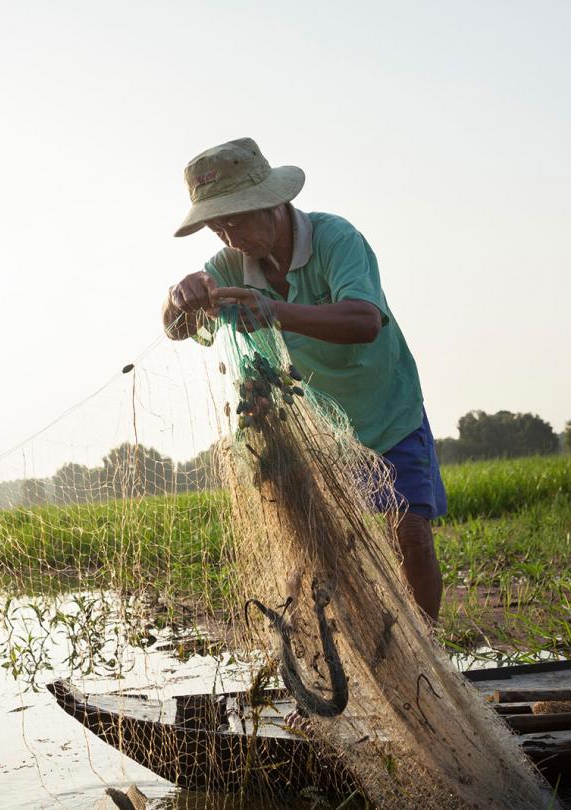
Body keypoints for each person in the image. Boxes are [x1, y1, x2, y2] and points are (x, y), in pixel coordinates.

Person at [161, 137, 449, 621]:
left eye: (236, 220)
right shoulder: (229, 266)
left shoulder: (336, 238)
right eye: (216, 226)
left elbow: (363, 320)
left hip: (385, 409)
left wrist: (273, 311)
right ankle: (349, 654)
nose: (229, 238)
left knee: (411, 536)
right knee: (318, 553)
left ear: (275, 203)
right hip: (315, 434)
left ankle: (431, 662)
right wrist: (178, 297)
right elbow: (177, 330)